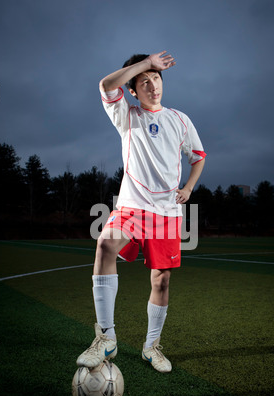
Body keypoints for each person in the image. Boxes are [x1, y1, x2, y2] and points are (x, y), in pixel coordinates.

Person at [77, 51, 206, 373]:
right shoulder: (126, 114)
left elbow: (199, 156)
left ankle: (151, 347)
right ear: (133, 90)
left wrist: (188, 188)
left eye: (156, 79)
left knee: (161, 280)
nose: (153, 86)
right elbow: (106, 84)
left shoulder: (180, 119)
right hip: (133, 205)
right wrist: (147, 63)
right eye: (144, 82)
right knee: (105, 244)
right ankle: (106, 337)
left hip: (167, 212)